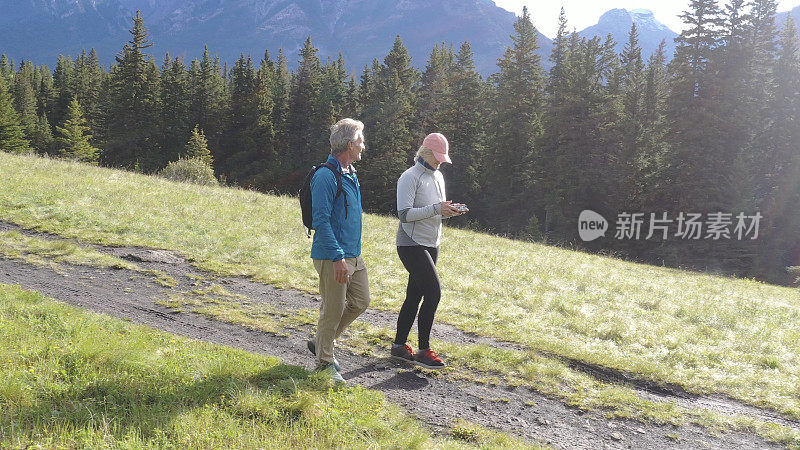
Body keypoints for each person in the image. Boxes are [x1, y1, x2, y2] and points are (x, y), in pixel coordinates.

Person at [391, 133, 466, 369]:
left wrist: (448, 212)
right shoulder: (409, 177)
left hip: (432, 243)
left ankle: (399, 346)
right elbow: (404, 215)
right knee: (433, 293)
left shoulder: (439, 177)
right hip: (410, 243)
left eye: (443, 158)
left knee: (414, 295)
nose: (441, 161)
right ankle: (424, 350)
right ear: (426, 152)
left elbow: (436, 211)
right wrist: (436, 208)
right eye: (438, 157)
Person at [307, 118, 369, 383]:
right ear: (349, 144)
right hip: (332, 256)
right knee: (332, 310)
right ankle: (323, 363)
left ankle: (321, 341)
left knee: (360, 301)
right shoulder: (325, 176)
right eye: (361, 141)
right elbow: (320, 221)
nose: (363, 146)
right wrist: (337, 257)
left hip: (353, 254)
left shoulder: (350, 173)